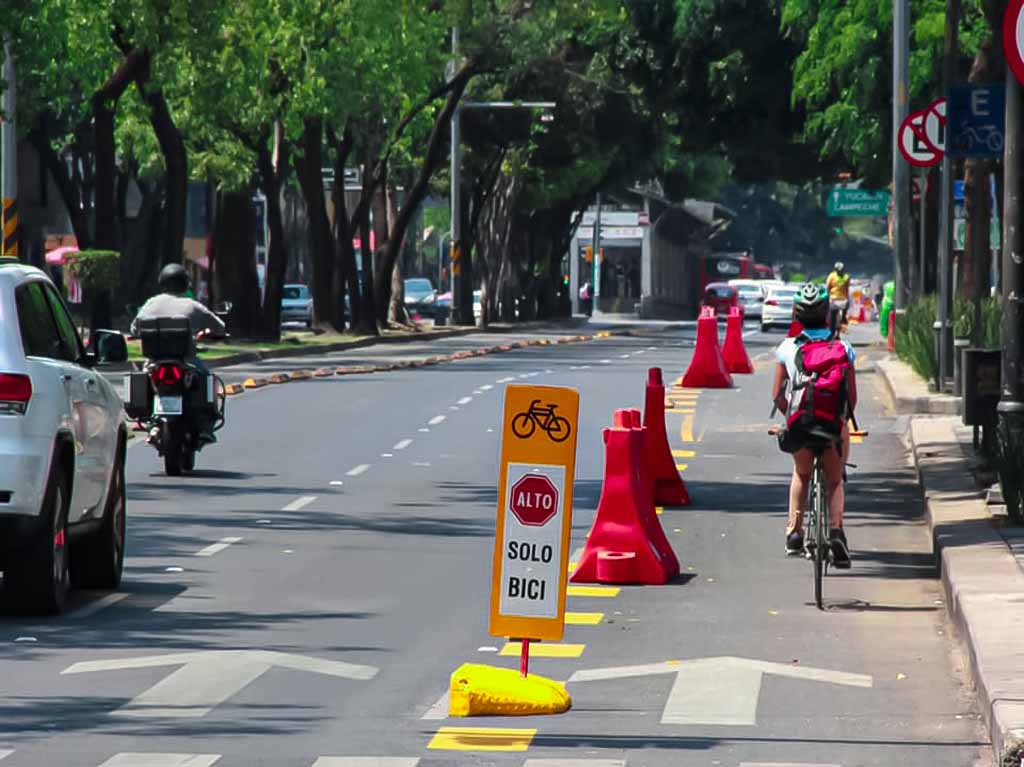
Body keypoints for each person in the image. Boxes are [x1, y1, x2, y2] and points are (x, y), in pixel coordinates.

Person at [771, 283, 858, 567]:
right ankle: (835, 530)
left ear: (797, 314)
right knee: (834, 481)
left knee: (801, 474)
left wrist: (793, 415)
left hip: (801, 428)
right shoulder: (843, 348)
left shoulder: (787, 348)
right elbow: (851, 398)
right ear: (827, 314)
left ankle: (794, 533)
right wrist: (841, 421)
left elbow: (777, 396)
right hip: (833, 427)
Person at [132, 264, 226, 441]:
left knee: (143, 379)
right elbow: (220, 326)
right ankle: (206, 426)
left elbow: (134, 327)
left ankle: (150, 422)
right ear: (185, 284)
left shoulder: (151, 303)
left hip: (154, 361)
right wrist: (210, 334)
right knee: (206, 377)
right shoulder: (192, 305)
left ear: (162, 283)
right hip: (186, 361)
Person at [826, 261, 851, 333]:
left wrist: (847, 299)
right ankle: (831, 330)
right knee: (832, 316)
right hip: (834, 299)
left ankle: (843, 323)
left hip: (843, 299)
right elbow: (828, 287)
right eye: (838, 270)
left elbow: (847, 288)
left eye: (841, 270)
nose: (840, 271)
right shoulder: (831, 276)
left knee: (844, 315)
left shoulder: (846, 277)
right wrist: (829, 297)